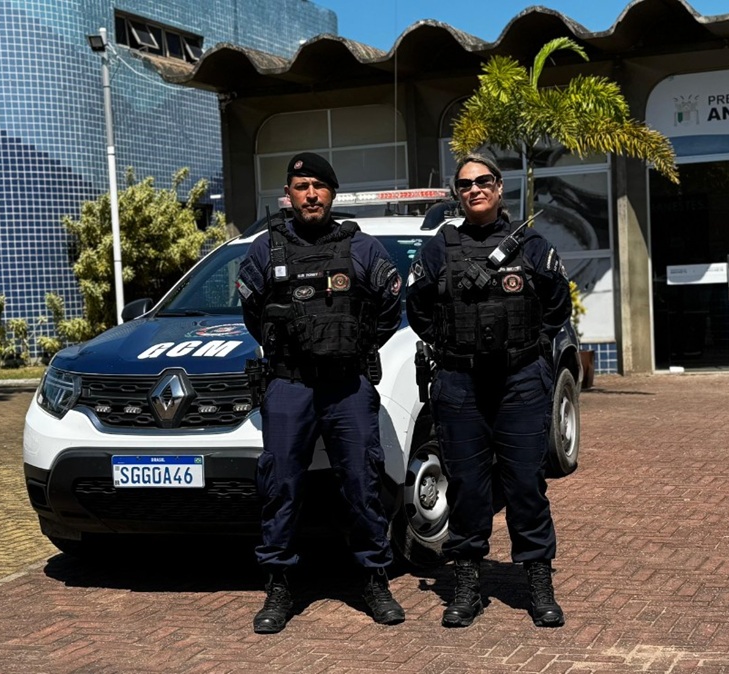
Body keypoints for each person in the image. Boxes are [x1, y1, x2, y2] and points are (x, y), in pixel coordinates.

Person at [237, 152, 405, 634]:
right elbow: (254, 315)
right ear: (287, 194)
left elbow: (391, 307)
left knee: (362, 480)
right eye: (301, 185)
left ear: (333, 193)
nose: (310, 194)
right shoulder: (263, 251)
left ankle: (374, 579)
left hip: (346, 383)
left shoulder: (363, 249)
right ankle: (280, 584)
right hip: (289, 382)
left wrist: (353, 344)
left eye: (319, 186)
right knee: (281, 485)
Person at [405, 153, 572, 628]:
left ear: (499, 188)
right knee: (468, 489)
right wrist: (449, 347)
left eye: (483, 181)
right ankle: (467, 586)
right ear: (458, 194)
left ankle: (537, 584)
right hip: (460, 383)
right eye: (464, 184)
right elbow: (417, 308)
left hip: (520, 382)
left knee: (525, 485)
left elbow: (558, 306)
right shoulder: (441, 245)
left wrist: (532, 349)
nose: (474, 189)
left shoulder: (533, 245)